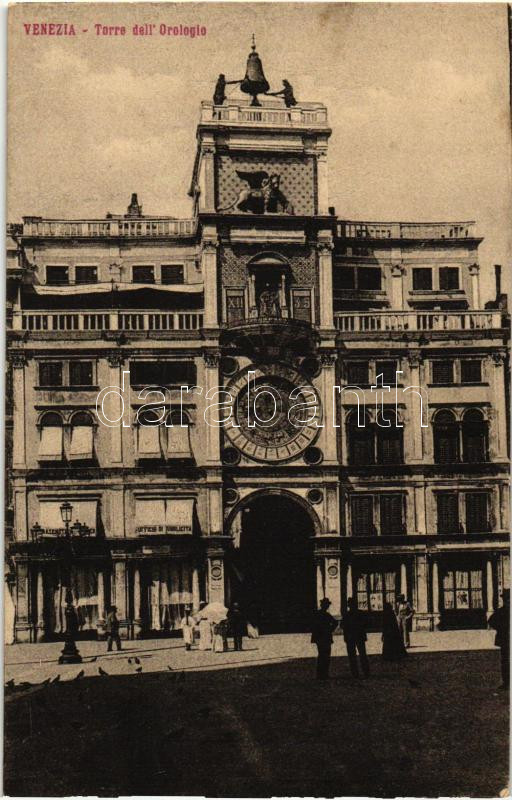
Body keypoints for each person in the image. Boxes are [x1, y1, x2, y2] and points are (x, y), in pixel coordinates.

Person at [341, 597, 370, 678]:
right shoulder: (361, 613)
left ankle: (355, 673)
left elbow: (342, 625)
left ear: (349, 605)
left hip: (350, 638)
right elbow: (366, 623)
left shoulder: (347, 615)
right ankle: (366, 672)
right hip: (359, 637)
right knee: (362, 655)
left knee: (352, 656)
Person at [311, 597, 338, 680]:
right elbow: (335, 622)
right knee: (325, 656)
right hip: (325, 637)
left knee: (321, 656)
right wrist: (330, 629)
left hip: (320, 638)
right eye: (326, 605)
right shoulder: (326, 615)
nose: (327, 606)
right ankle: (324, 674)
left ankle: (320, 674)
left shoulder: (318, 614)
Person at [489, 589, 510, 689]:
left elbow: (491, 621)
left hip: (505, 639)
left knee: (506, 661)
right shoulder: (501, 611)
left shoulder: (502, 611)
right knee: (506, 661)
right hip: (505, 640)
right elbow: (491, 621)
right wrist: (501, 628)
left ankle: (507, 683)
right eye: (507, 599)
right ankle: (507, 683)